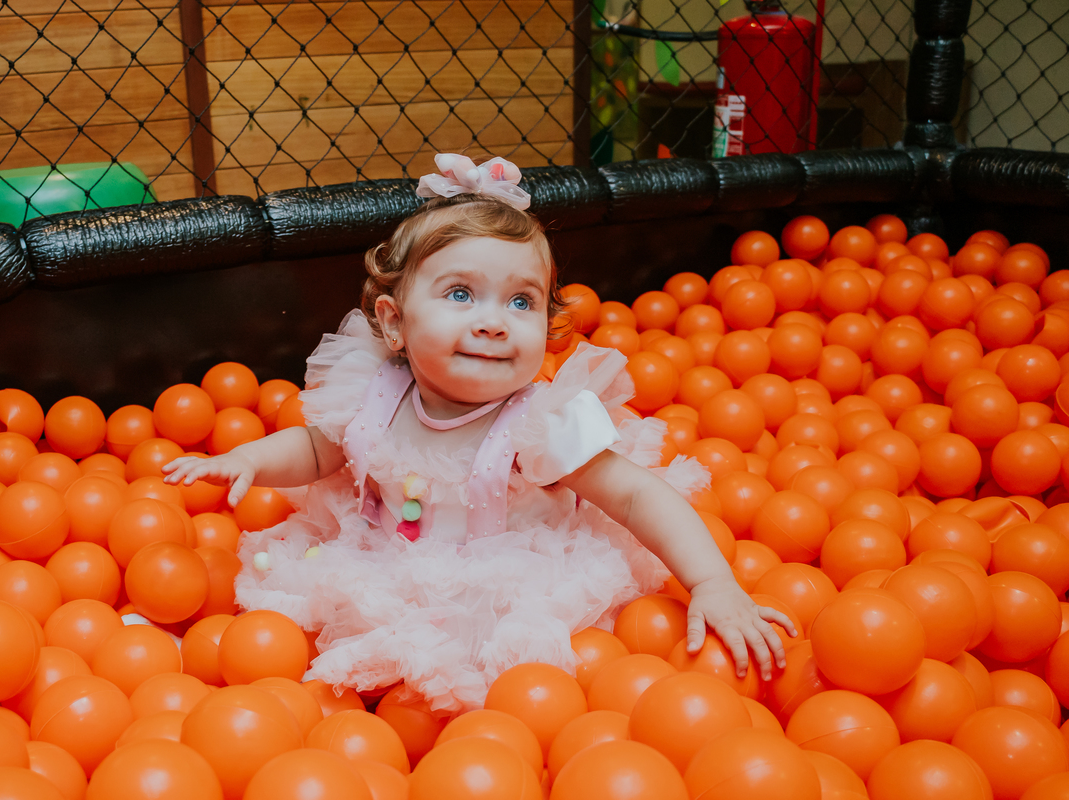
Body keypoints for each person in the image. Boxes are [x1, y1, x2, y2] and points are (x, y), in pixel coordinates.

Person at [162, 153, 794, 714]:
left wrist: (712, 583)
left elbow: (635, 496)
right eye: (460, 294)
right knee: (333, 648)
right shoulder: (373, 390)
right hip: (383, 558)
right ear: (394, 323)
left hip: (503, 579)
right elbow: (317, 450)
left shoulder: (537, 425)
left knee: (492, 682)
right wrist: (247, 457)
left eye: (521, 302)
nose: (495, 323)